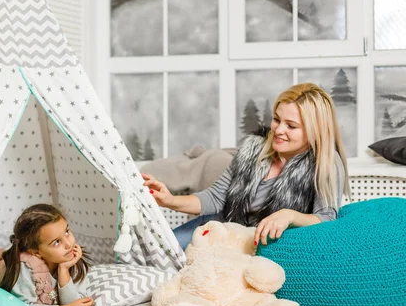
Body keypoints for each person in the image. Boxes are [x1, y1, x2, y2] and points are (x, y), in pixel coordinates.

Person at [143, 83, 350, 249]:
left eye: (291, 126)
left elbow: (326, 220)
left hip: (260, 246)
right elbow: (216, 198)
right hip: (220, 229)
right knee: (157, 255)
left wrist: (290, 215)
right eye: (277, 120)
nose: (278, 130)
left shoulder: (327, 163)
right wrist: (170, 200)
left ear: (316, 131)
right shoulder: (253, 149)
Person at [0, 204, 94, 306]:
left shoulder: (71, 258)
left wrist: (64, 271)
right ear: (36, 252)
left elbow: (77, 305)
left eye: (67, 232)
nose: (69, 244)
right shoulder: (26, 269)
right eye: (57, 242)